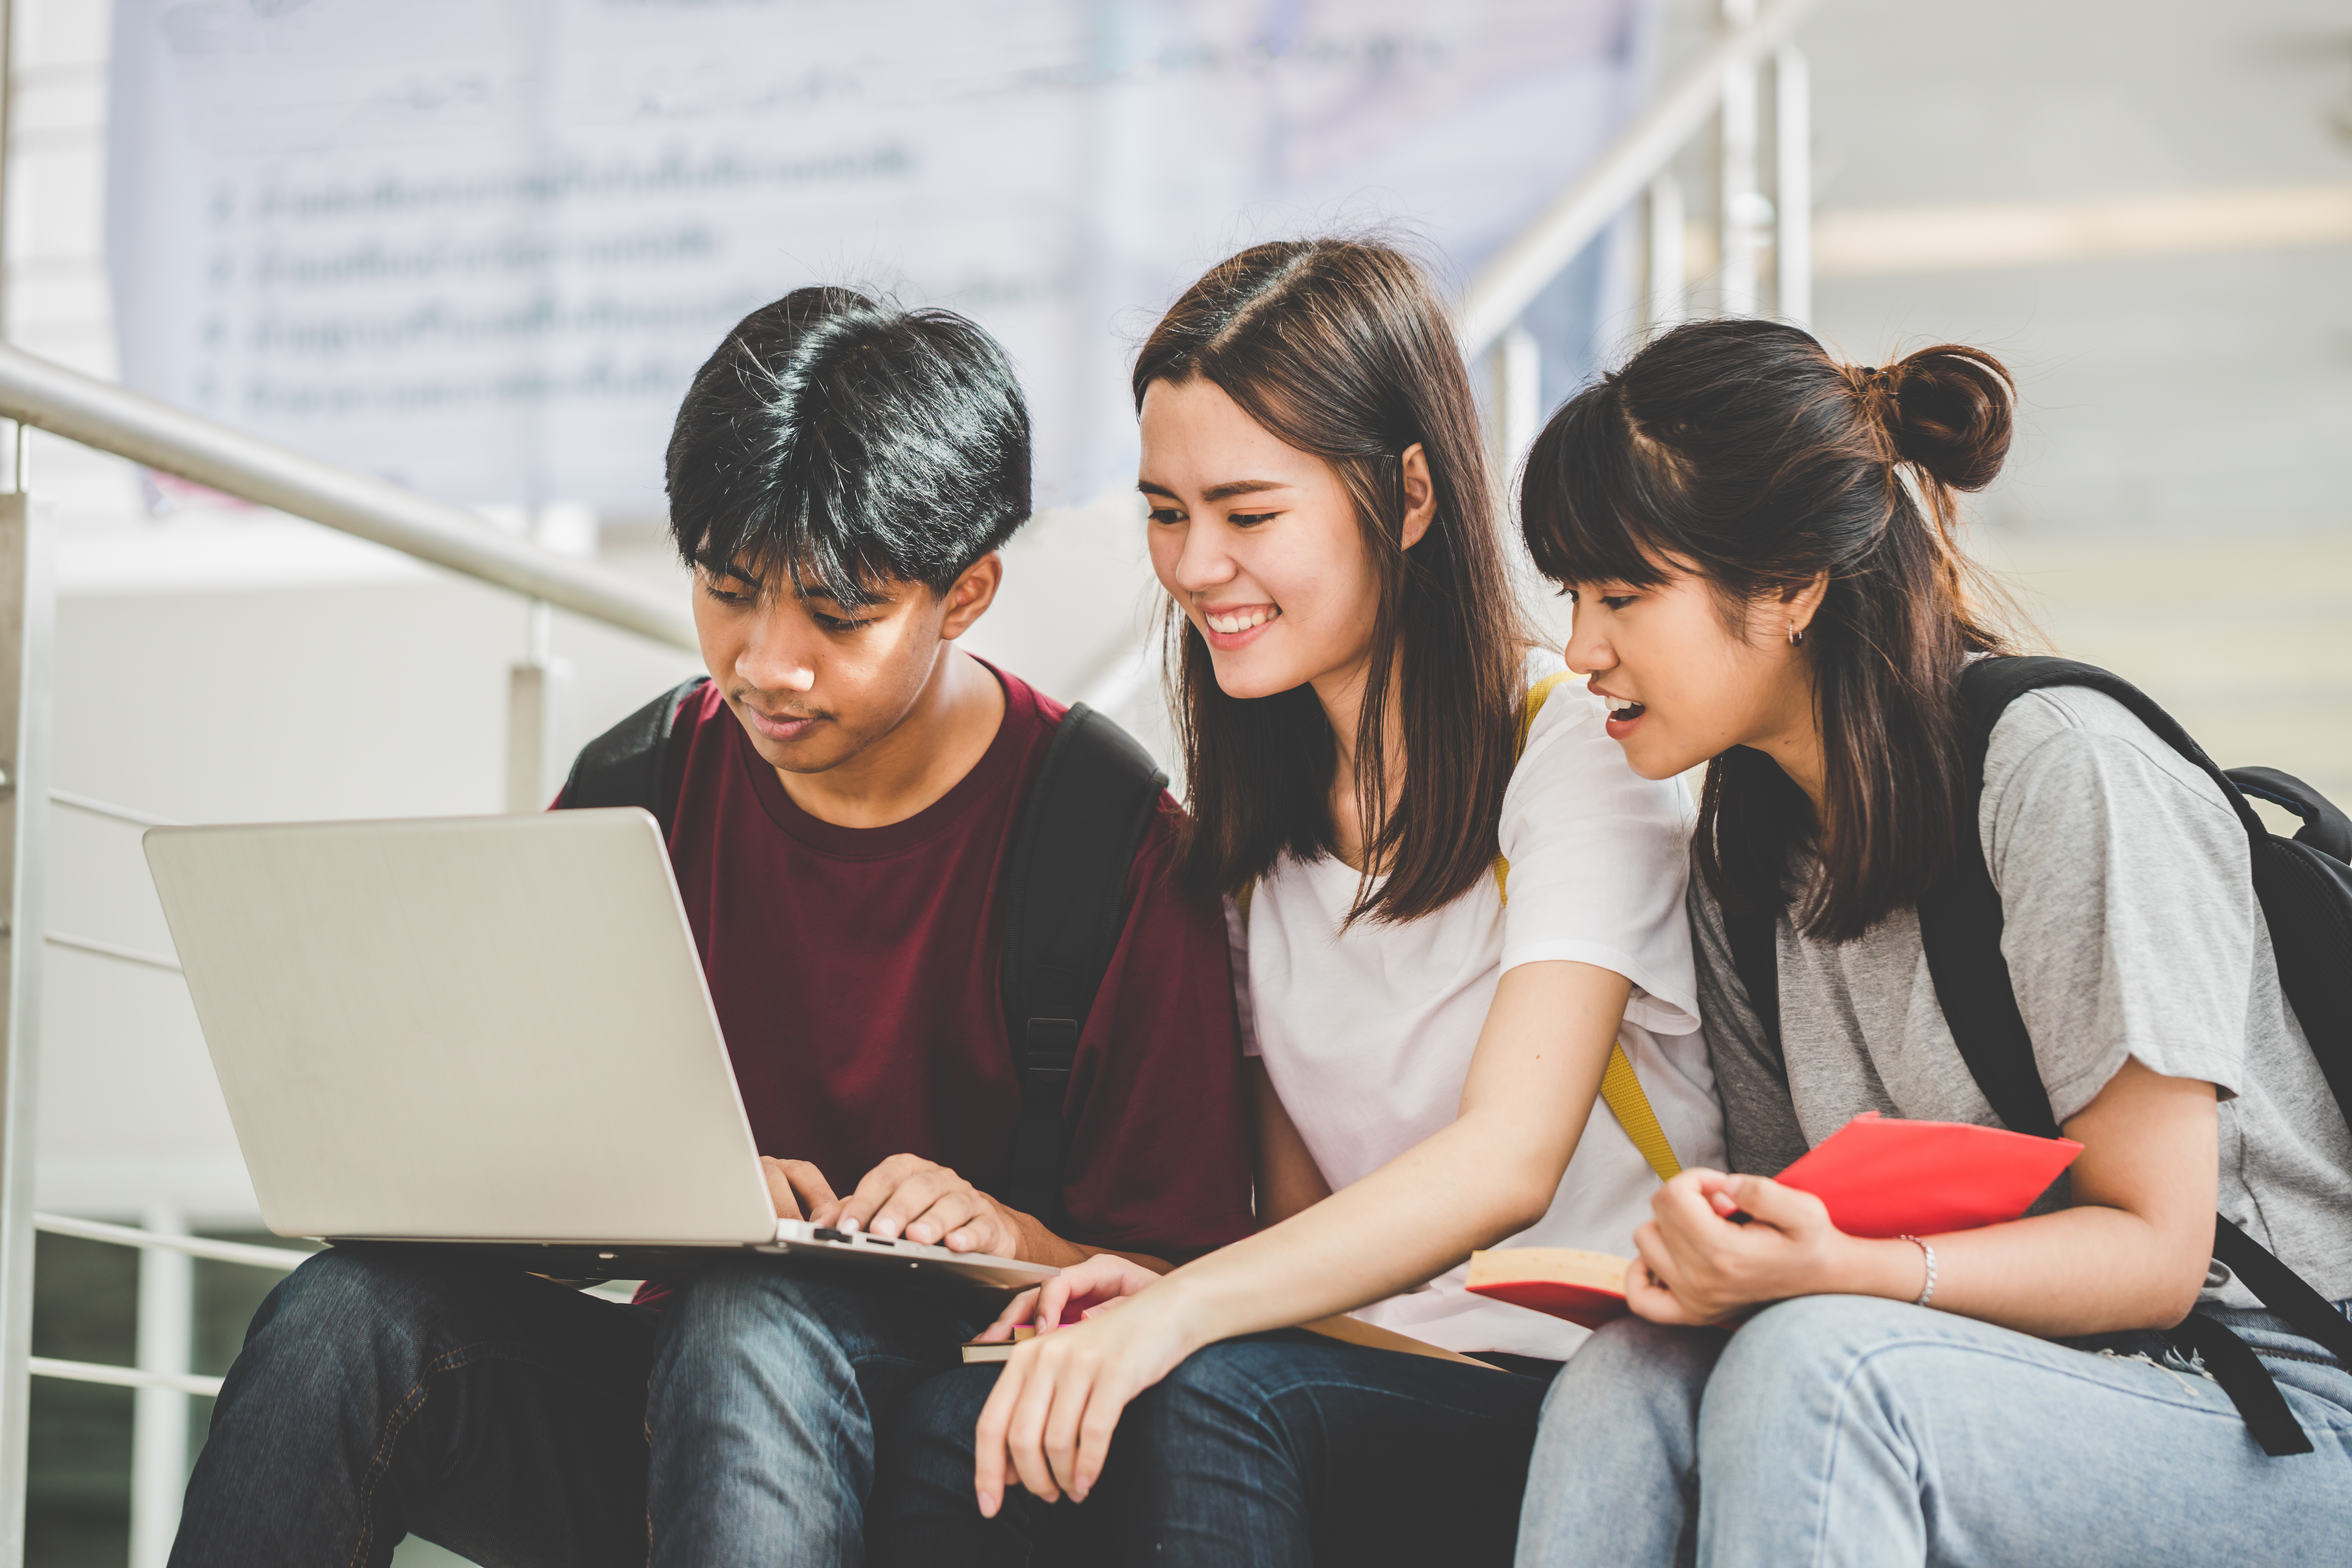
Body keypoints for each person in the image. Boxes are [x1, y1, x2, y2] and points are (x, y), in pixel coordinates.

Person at [168, 288, 1256, 1568]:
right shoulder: (641, 790)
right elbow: (512, 1173)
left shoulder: (1112, 845)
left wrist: (1012, 1241)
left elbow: (1181, 1288)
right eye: (728, 591)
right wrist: (672, 1203)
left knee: (757, 1317)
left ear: (965, 596)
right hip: (670, 1426)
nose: (767, 664)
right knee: (342, 1318)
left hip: (961, 1450)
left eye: (838, 616)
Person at [875, 239, 1723, 1566]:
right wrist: (1143, 1293)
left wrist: (1183, 1316)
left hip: (1583, 1400)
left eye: (1248, 513)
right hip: (1365, 1372)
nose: (1198, 564)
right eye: (1167, 512)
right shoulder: (1245, 838)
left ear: (1411, 497)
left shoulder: (1573, 750)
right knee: (952, 1430)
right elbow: (1302, 1234)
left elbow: (1508, 1165)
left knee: (1209, 1397)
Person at [1509, 320, 2352, 1567]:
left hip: (2271, 1399)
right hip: (1993, 1370)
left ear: (1791, 585)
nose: (1581, 649)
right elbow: (1805, 1225)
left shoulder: (2062, 772)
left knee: (1822, 1372)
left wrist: (1848, 1270)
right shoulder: (1746, 857)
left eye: (1625, 596)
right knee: (1630, 1376)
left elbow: (2158, 1255)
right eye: (1573, 598)